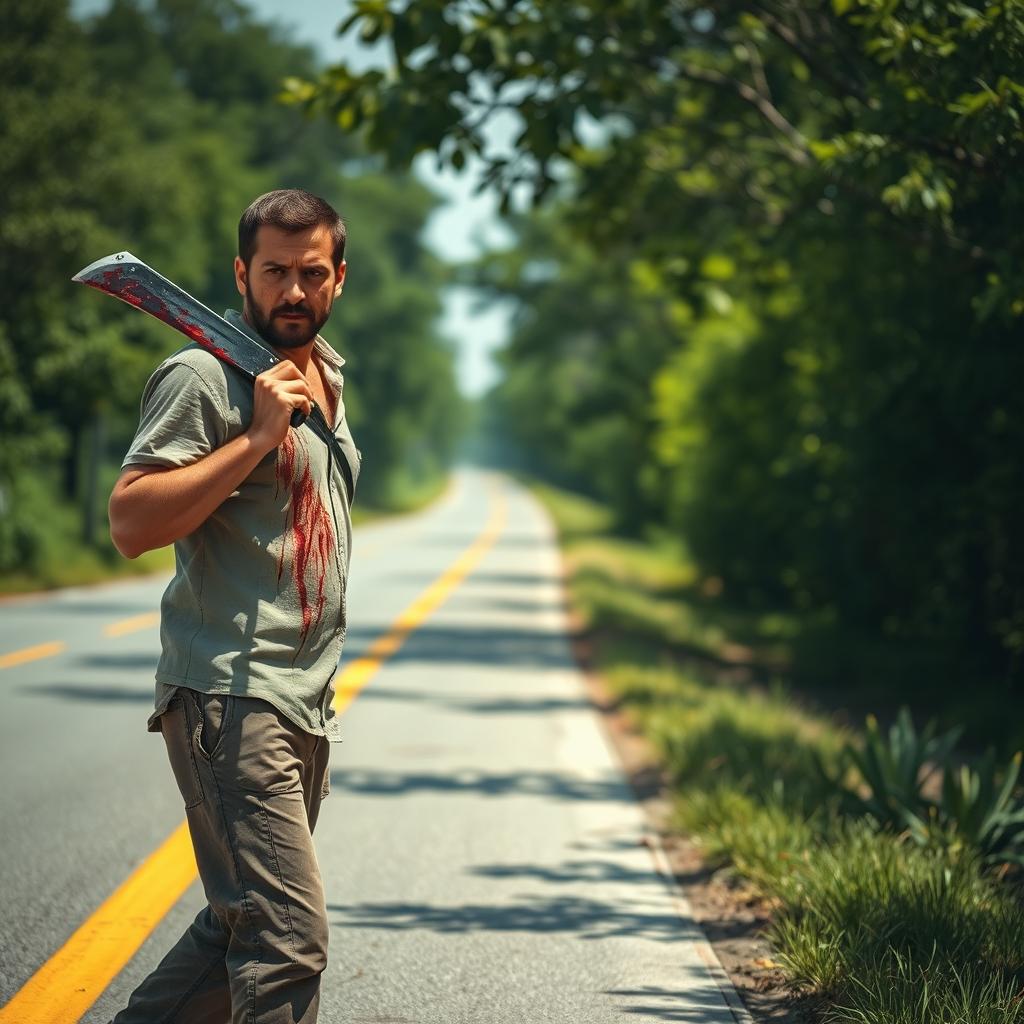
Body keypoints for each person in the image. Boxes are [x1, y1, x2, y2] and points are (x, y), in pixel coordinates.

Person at [106, 188, 360, 1024]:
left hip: (301, 702)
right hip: (231, 695)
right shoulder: (204, 374)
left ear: (338, 278)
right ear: (241, 273)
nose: (293, 290)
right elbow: (132, 521)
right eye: (275, 271)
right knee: (288, 939)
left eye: (310, 272)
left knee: (234, 930)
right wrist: (255, 440)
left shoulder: (325, 373)